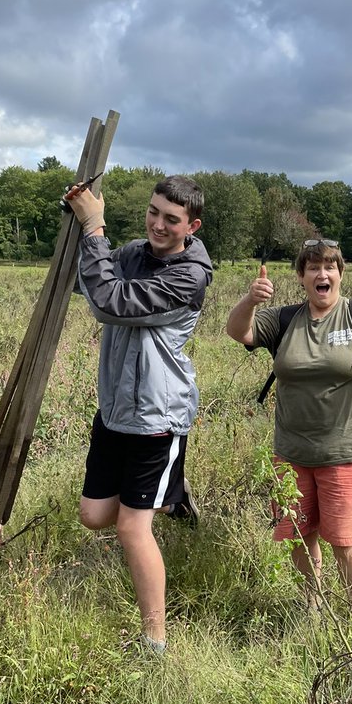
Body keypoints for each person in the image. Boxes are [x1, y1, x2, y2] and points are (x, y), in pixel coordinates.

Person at [226, 238, 352, 603]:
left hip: (350, 453)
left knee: (345, 543)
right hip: (293, 453)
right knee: (301, 537)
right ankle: (313, 605)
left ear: (340, 273)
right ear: (301, 276)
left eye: (330, 267)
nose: (322, 274)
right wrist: (251, 300)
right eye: (313, 267)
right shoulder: (284, 319)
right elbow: (240, 332)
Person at [67, 176, 213, 654]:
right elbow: (88, 284)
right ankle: (172, 499)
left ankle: (155, 641)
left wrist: (93, 229)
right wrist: (77, 221)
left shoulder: (188, 276)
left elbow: (110, 303)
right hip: (115, 408)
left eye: (171, 219)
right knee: (93, 515)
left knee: (132, 527)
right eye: (154, 212)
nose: (158, 224)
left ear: (191, 226)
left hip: (158, 415)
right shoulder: (133, 253)